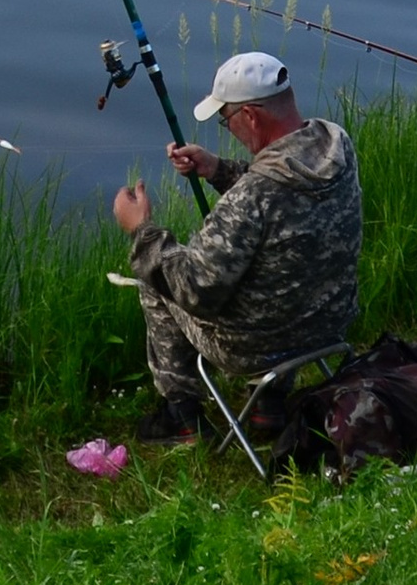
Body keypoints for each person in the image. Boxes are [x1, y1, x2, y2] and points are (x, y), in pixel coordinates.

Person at [111, 50, 363, 443]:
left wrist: (141, 230)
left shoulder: (253, 196)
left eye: (225, 119)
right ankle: (268, 405)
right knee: (283, 270)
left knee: (155, 274)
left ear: (250, 116)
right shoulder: (337, 146)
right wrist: (218, 169)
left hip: (254, 347)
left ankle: (182, 416)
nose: (227, 128)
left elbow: (194, 291)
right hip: (331, 323)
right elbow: (279, 197)